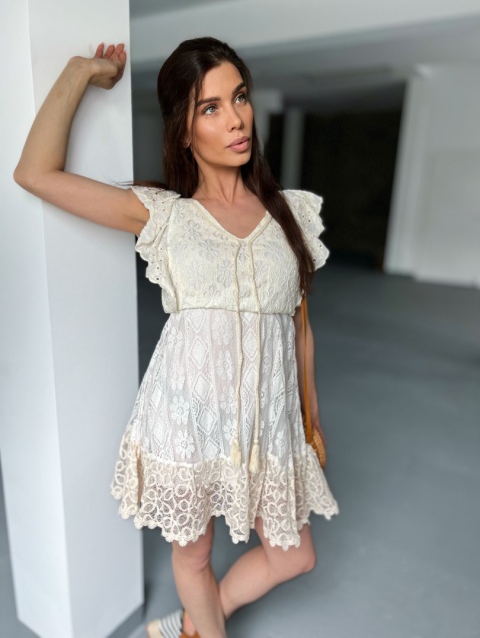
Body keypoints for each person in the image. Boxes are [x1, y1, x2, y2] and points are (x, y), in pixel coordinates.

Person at [14, 37, 339, 638]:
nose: (236, 118)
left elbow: (300, 330)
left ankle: (193, 623)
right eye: (210, 107)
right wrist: (83, 72)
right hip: (185, 418)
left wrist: (309, 420)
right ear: (184, 131)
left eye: (239, 97)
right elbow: (35, 173)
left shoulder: (288, 215)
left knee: (295, 555)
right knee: (193, 555)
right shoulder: (165, 216)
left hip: (266, 424)